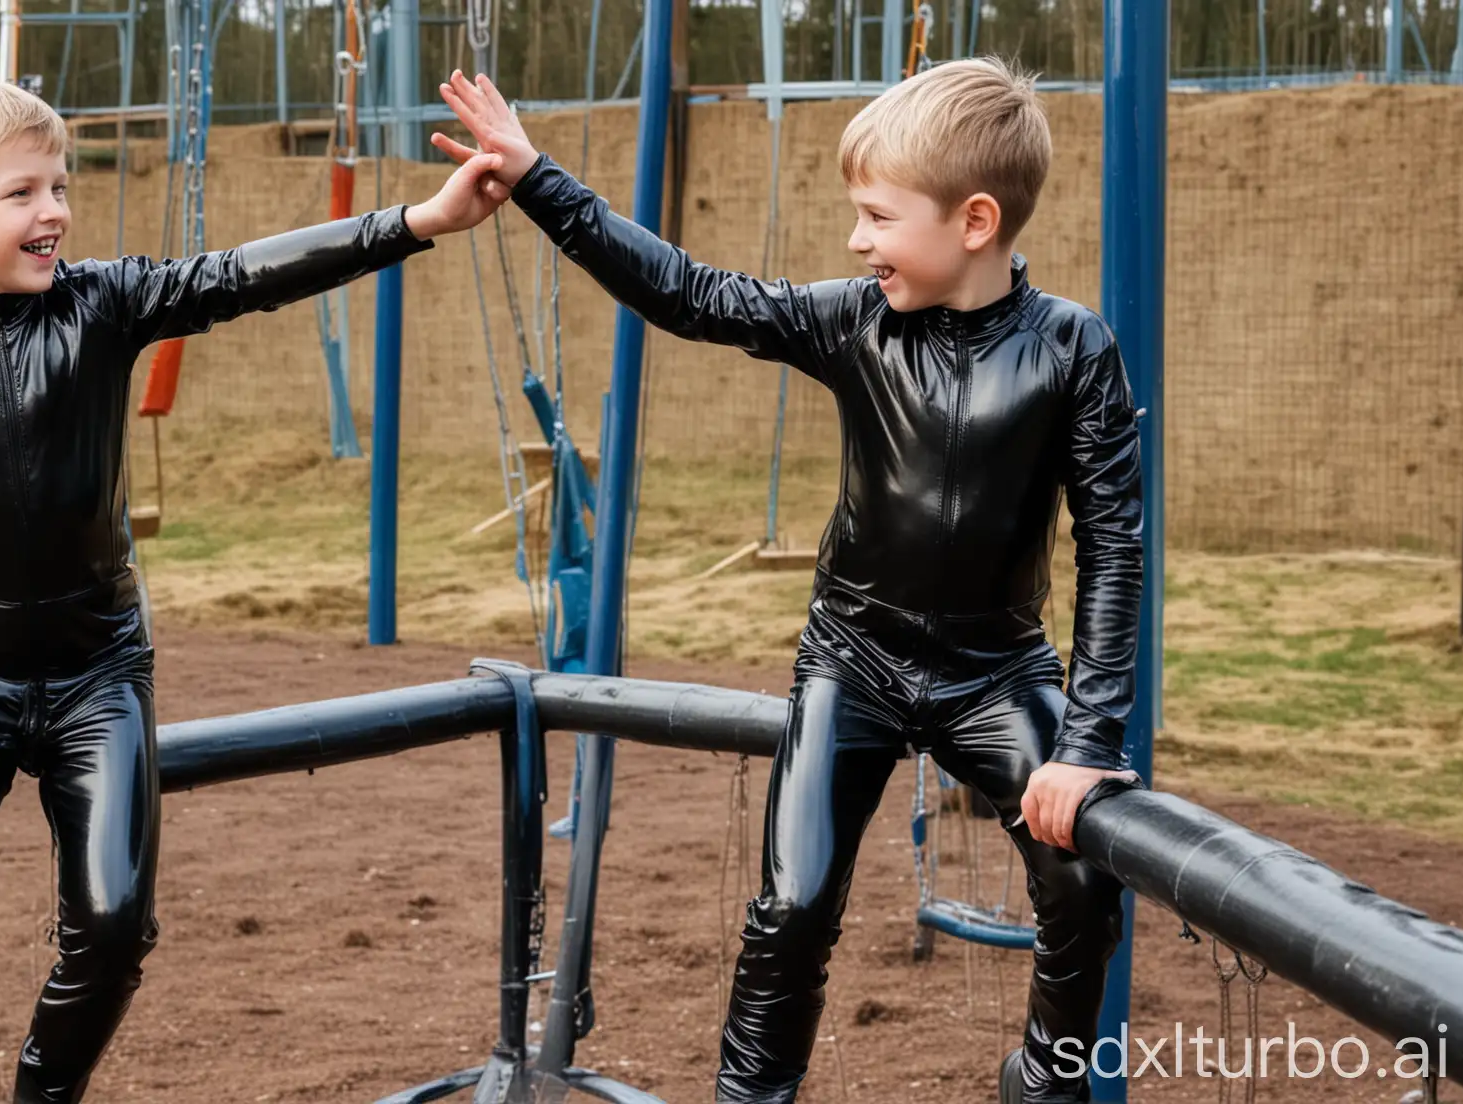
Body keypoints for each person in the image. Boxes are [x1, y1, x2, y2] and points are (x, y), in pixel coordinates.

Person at [0, 76, 511, 1103]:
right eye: (24, 193)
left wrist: (421, 221)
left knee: (116, 927)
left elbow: (248, 273)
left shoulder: (104, 304)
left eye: (60, 187)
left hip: (98, 677)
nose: (55, 212)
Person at [432, 60, 1144, 1102]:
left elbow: (1114, 547)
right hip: (854, 659)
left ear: (976, 220)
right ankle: (751, 1096)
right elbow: (688, 293)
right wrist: (539, 179)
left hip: (997, 672)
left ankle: (1046, 1079)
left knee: (1082, 875)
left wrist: (1087, 745)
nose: (858, 241)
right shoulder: (856, 319)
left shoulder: (1073, 349)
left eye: (877, 217)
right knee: (795, 903)